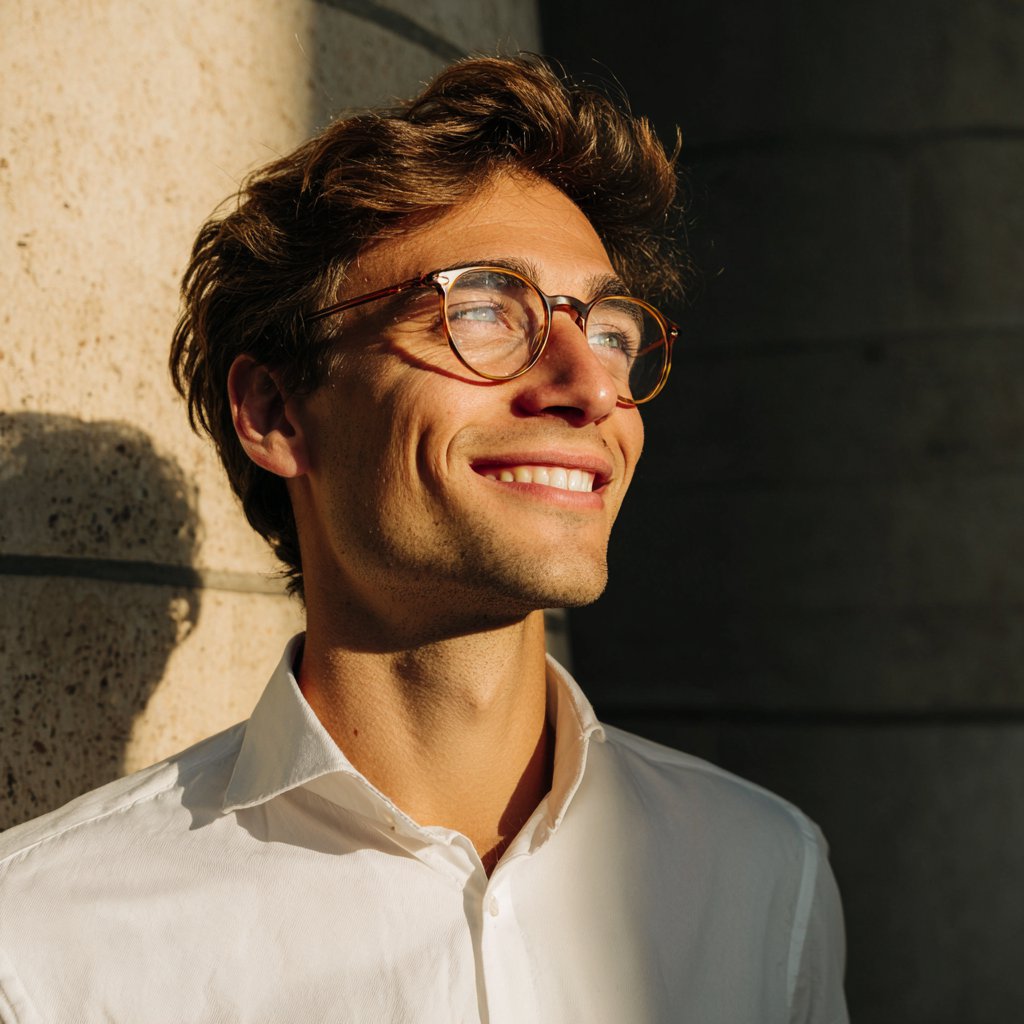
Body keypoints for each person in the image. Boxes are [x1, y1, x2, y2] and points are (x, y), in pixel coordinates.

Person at [0, 56, 848, 1022]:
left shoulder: (764, 874)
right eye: (483, 307)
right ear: (277, 410)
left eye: (610, 328)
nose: (593, 386)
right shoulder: (44, 948)